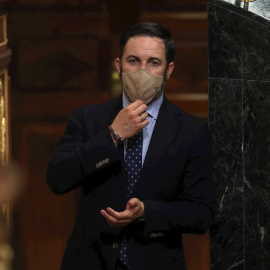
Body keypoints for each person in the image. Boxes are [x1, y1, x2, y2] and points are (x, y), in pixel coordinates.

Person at [47, 22, 216, 270]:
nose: (142, 71)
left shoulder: (192, 132)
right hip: (91, 261)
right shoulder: (87, 119)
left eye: (153, 63)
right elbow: (57, 178)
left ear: (168, 71)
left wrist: (146, 211)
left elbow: (202, 214)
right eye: (134, 61)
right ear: (118, 66)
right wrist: (113, 134)